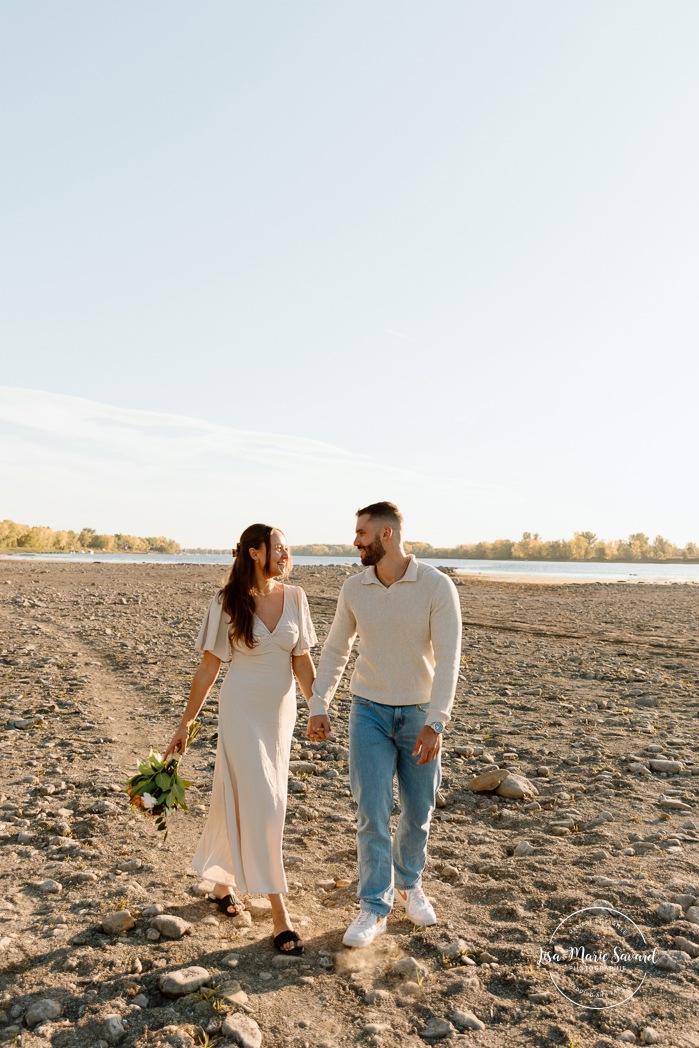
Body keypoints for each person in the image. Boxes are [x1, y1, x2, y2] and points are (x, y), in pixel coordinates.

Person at [306, 501, 462, 948]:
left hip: (419, 715)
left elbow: (449, 658)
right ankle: (374, 906)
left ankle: (410, 883)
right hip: (368, 711)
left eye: (361, 533)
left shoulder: (436, 586)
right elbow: (336, 649)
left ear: (386, 535)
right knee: (371, 812)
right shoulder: (354, 588)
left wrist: (437, 721)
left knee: (418, 810)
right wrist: (320, 703)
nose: (355, 541)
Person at [165, 523, 317, 954]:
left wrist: (317, 707)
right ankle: (280, 914)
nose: (286, 555)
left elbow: (302, 659)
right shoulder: (226, 602)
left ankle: (219, 883)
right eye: (279, 548)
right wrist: (185, 725)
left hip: (279, 717)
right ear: (255, 552)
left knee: (245, 798)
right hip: (241, 712)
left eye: (288, 549)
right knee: (266, 804)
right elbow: (209, 669)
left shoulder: (296, 598)